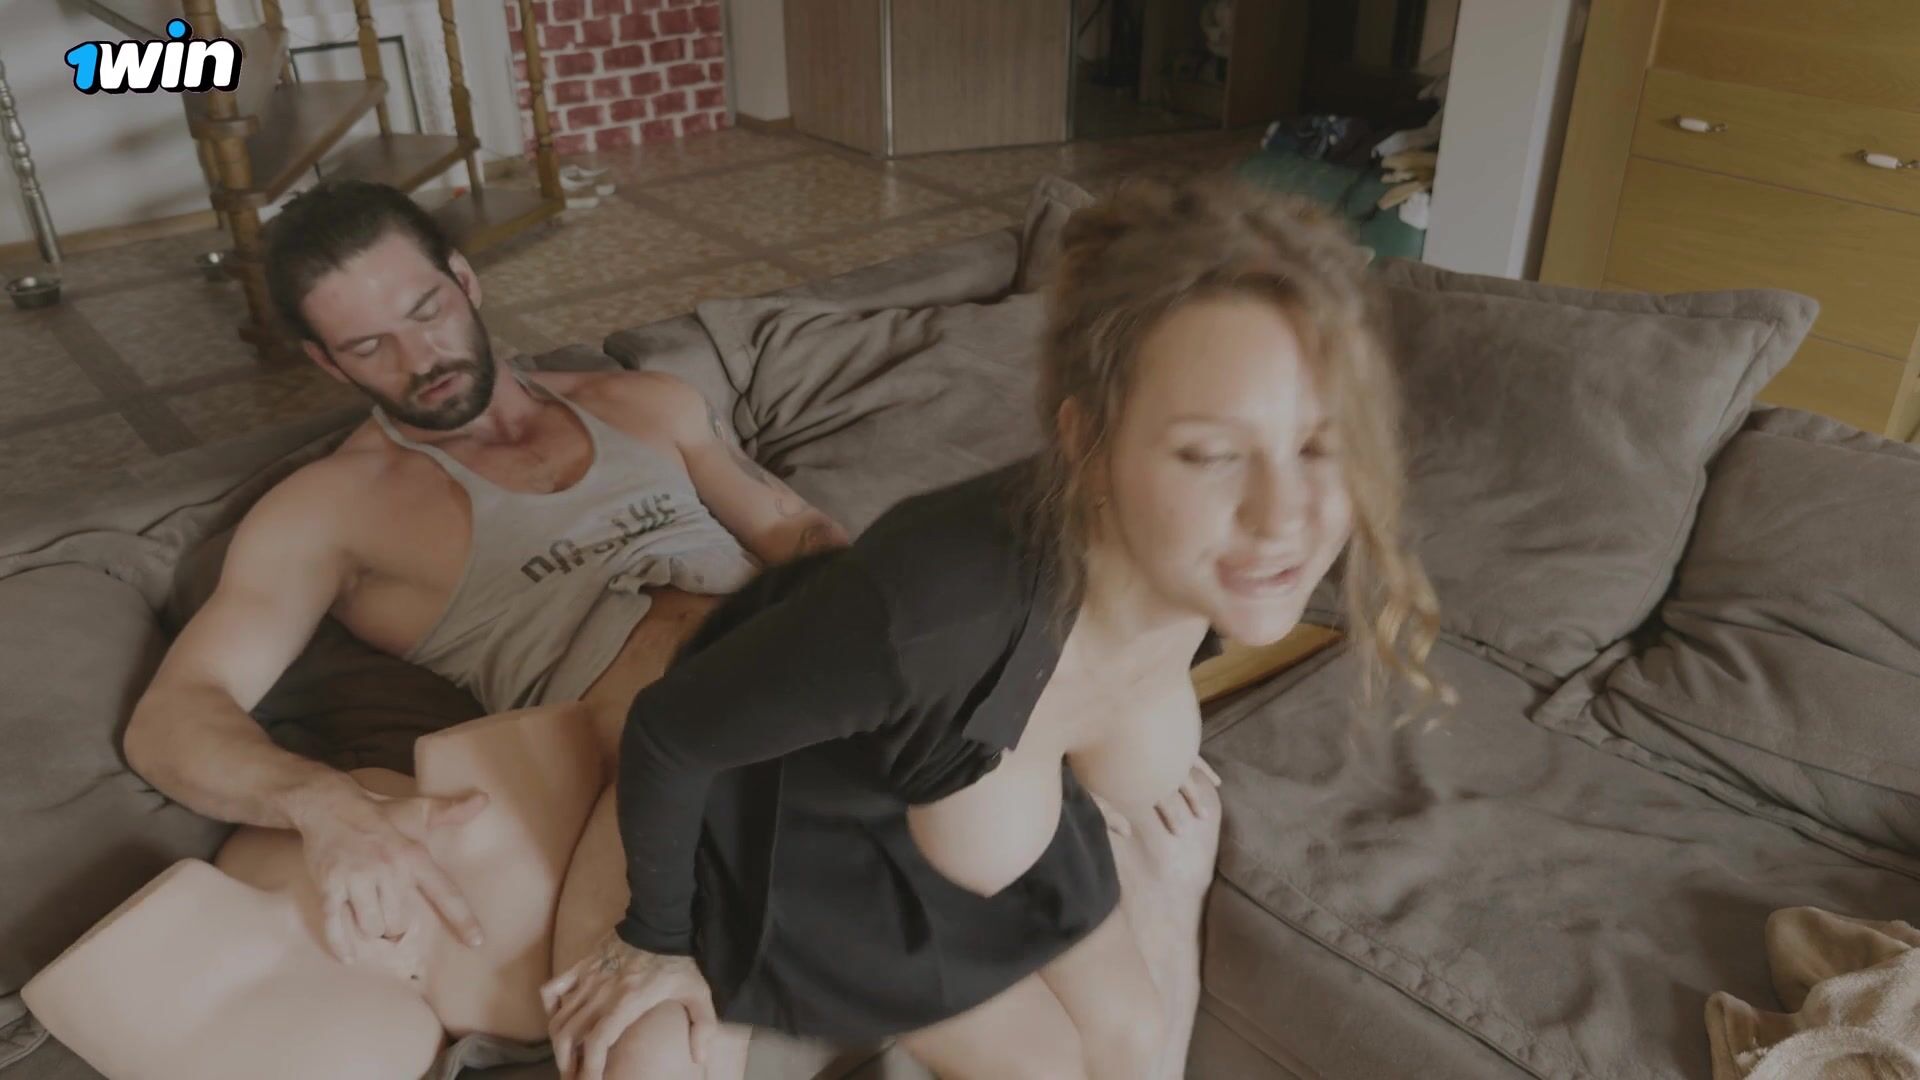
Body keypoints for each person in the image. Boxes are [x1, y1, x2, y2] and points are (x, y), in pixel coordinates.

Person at [543, 176, 1445, 1080]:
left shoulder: (1205, 567)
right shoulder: (927, 612)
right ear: (1088, 444)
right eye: (1212, 455)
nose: (1284, 517)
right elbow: (670, 731)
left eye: (1320, 445)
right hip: (816, 842)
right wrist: (654, 937)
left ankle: (1162, 908)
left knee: (1133, 1034)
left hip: (979, 786)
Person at [23, 179, 849, 1078]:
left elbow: (798, 532)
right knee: (649, 1050)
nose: (421, 357)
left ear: (465, 280)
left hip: (826, 679)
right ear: (327, 362)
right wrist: (322, 805)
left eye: (427, 311)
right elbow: (174, 717)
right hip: (665, 762)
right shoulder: (334, 509)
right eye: (369, 345)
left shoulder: (646, 403)